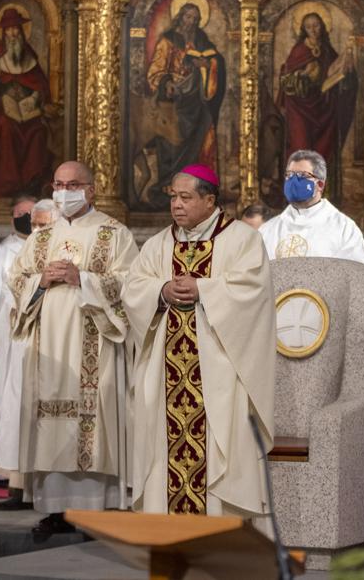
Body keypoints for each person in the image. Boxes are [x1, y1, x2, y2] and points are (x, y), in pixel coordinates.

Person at [123, 165, 275, 522]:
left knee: (221, 451)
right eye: (173, 196)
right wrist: (160, 290)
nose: (176, 204)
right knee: (164, 453)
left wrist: (203, 289)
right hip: (166, 375)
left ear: (210, 200)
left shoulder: (242, 240)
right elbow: (133, 288)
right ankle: (170, 540)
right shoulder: (160, 243)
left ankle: (223, 541)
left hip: (221, 375)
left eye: (185, 197)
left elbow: (253, 292)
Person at [5, 162, 138, 537]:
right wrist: (39, 281)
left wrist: (84, 278)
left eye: (74, 184)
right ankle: (55, 510)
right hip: (48, 348)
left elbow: (131, 284)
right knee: (49, 426)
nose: (65, 191)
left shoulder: (115, 234)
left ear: (91, 190)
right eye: (59, 184)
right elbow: (15, 279)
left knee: (91, 427)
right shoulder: (42, 237)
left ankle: (95, 511)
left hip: (94, 342)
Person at [137, 0, 226, 207]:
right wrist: (166, 81)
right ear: (180, 17)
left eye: (195, 18)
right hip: (174, 102)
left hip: (198, 101)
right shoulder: (168, 40)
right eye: (188, 17)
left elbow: (217, 62)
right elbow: (156, 70)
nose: (191, 22)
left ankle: (198, 187)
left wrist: (207, 65)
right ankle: (170, 183)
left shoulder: (202, 40)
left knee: (202, 139)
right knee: (171, 143)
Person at [0, 195, 36, 498]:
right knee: (7, 405)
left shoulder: (48, 245)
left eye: (30, 213)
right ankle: (6, 473)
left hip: (39, 342)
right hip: (10, 339)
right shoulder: (2, 254)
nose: (25, 219)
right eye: (20, 214)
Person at [0, 8, 56, 198]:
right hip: (1, 110)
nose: (12, 33)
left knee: (39, 132)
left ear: (21, 30)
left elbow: (41, 86)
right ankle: (7, 183)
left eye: (15, 29)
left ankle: (30, 183)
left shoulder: (30, 58)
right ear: (3, 33)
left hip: (28, 113)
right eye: (8, 29)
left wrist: (34, 98)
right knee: (4, 126)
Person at [259, 149, 364, 266]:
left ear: (320, 185)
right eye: (289, 175)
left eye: (302, 175)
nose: (294, 181)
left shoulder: (344, 229)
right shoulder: (268, 230)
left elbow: (358, 276)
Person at [277, 11, 358, 163]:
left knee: (323, 149)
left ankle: (321, 184)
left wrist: (347, 70)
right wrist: (304, 73)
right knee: (302, 147)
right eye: (308, 27)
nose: (313, 30)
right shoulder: (299, 51)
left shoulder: (327, 49)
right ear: (303, 30)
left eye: (316, 25)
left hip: (324, 106)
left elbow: (335, 71)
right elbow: (286, 79)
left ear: (322, 26)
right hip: (300, 108)